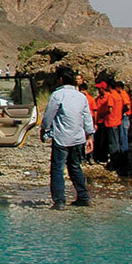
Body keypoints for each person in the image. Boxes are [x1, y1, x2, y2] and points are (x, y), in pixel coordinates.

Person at [40, 67, 95, 210]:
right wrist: (90, 136)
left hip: (61, 138)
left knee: (57, 169)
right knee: (75, 167)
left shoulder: (57, 95)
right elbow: (87, 118)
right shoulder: (81, 97)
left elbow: (48, 116)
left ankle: (59, 201)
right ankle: (83, 197)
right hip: (78, 138)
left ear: (61, 79)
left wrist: (44, 129)